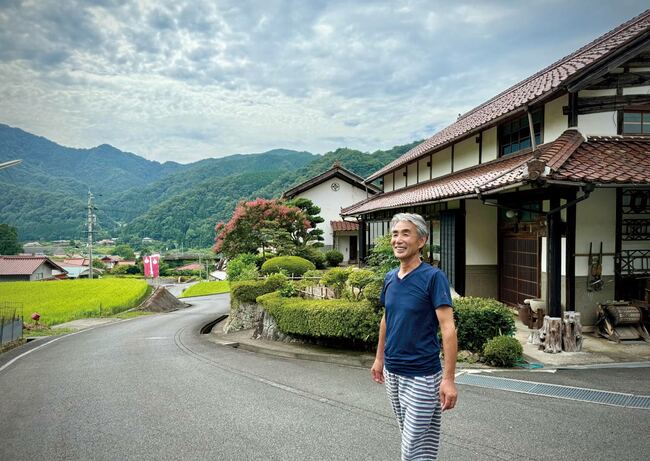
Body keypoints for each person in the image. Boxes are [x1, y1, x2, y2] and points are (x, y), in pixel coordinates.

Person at [371, 213, 458, 461]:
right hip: (393, 372)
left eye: (405, 233)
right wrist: (379, 359)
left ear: (421, 241)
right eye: (395, 234)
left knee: (411, 447)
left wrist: (449, 379)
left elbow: (448, 328)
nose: (398, 239)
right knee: (415, 442)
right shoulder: (390, 278)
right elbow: (387, 319)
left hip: (422, 375)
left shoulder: (433, 277)